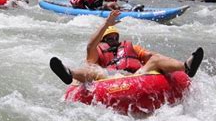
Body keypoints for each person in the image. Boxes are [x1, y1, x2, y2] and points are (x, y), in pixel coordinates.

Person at [50, 9, 204, 84]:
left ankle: (186, 66)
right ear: (103, 39)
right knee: (93, 69)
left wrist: (163, 66)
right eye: (109, 38)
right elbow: (90, 45)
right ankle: (69, 73)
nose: (113, 40)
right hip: (109, 78)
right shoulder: (97, 51)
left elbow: (152, 58)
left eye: (115, 37)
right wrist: (106, 24)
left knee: (156, 58)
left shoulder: (131, 47)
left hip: (137, 75)